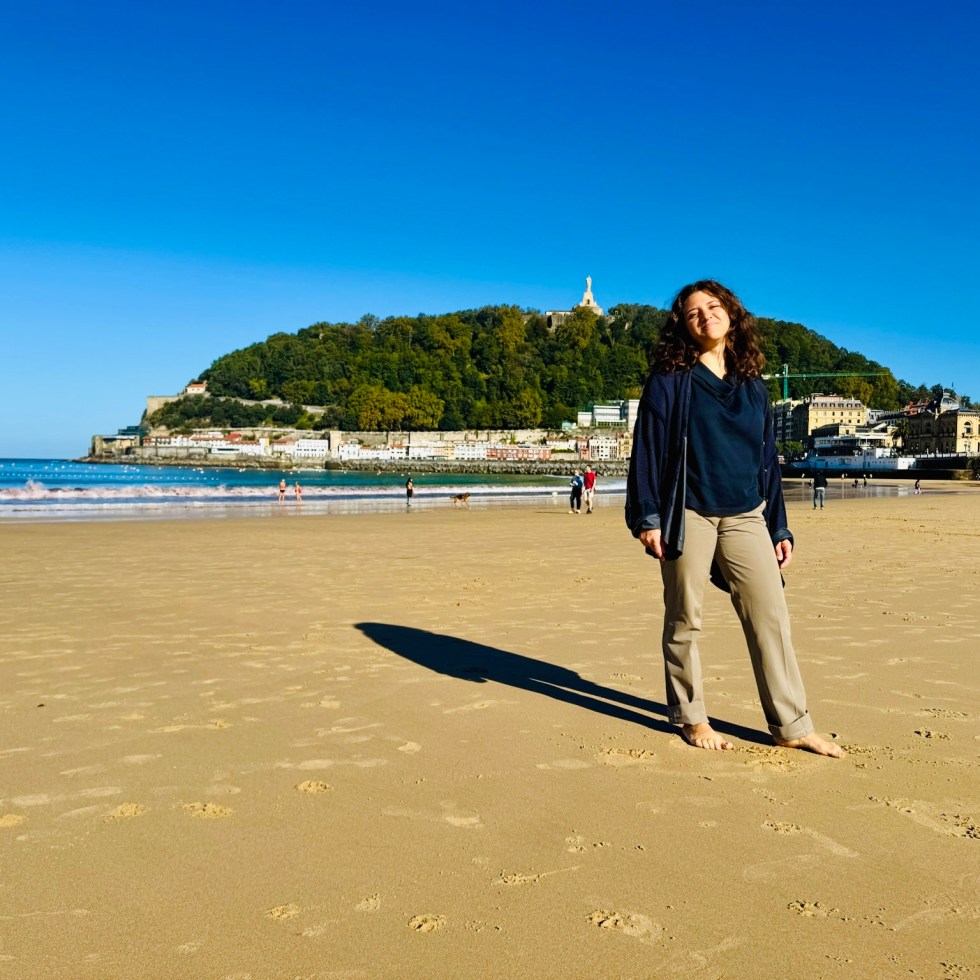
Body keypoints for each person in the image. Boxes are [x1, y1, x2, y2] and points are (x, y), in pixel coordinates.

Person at [626, 279, 844, 757]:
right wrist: (647, 516)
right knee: (685, 619)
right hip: (688, 512)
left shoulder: (752, 384)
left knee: (771, 617)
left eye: (713, 305)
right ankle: (691, 717)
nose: (705, 316)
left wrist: (779, 526)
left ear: (730, 311)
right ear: (683, 327)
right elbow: (648, 448)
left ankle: (792, 724)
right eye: (692, 313)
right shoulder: (669, 379)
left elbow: (768, 460)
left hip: (747, 514)